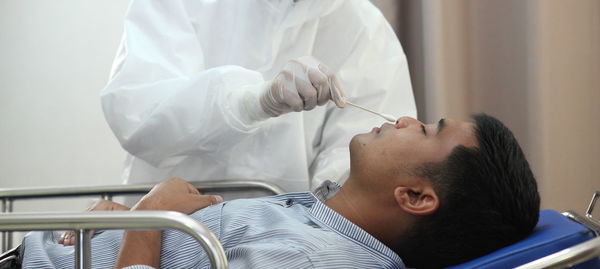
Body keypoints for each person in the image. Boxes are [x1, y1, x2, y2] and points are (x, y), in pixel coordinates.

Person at [21, 114, 539, 268]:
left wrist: (153, 219)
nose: (406, 118)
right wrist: (115, 227)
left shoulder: (316, 259)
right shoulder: (318, 217)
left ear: (418, 197)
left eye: (427, 130)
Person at [100, 0, 417, 196]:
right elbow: (137, 116)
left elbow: (369, 163)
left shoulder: (364, 28)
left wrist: (328, 195)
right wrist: (250, 103)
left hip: (287, 245)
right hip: (173, 235)